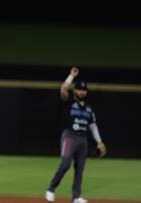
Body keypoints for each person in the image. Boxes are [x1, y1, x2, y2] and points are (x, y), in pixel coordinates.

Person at [45, 67, 107, 203]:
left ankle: (76, 197)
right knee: (65, 164)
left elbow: (93, 126)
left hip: (83, 140)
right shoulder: (69, 103)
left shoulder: (89, 110)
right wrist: (71, 76)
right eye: (79, 89)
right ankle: (51, 188)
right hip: (69, 137)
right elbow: (63, 90)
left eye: (84, 90)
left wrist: (99, 142)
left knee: (80, 169)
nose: (82, 91)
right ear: (75, 90)